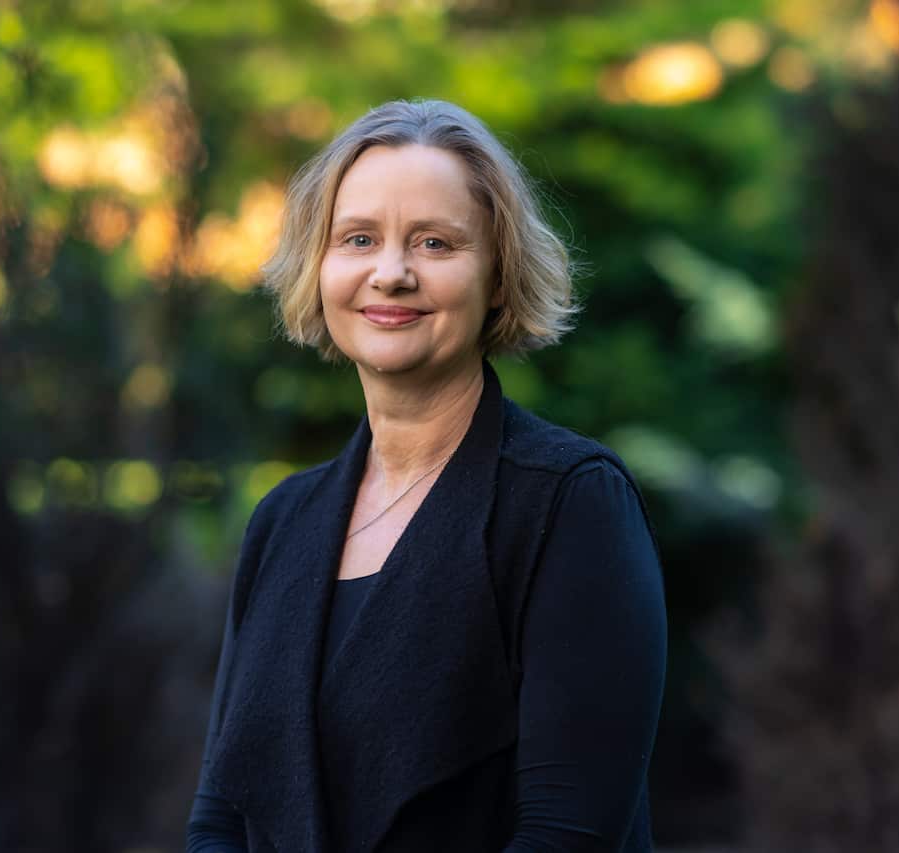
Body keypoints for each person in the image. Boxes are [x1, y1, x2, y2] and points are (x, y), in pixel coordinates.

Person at [186, 99, 667, 853]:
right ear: (320, 267)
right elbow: (220, 812)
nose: (391, 272)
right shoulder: (282, 521)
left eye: (435, 243)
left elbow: (566, 836)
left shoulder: (570, 502)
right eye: (359, 239)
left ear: (499, 277)